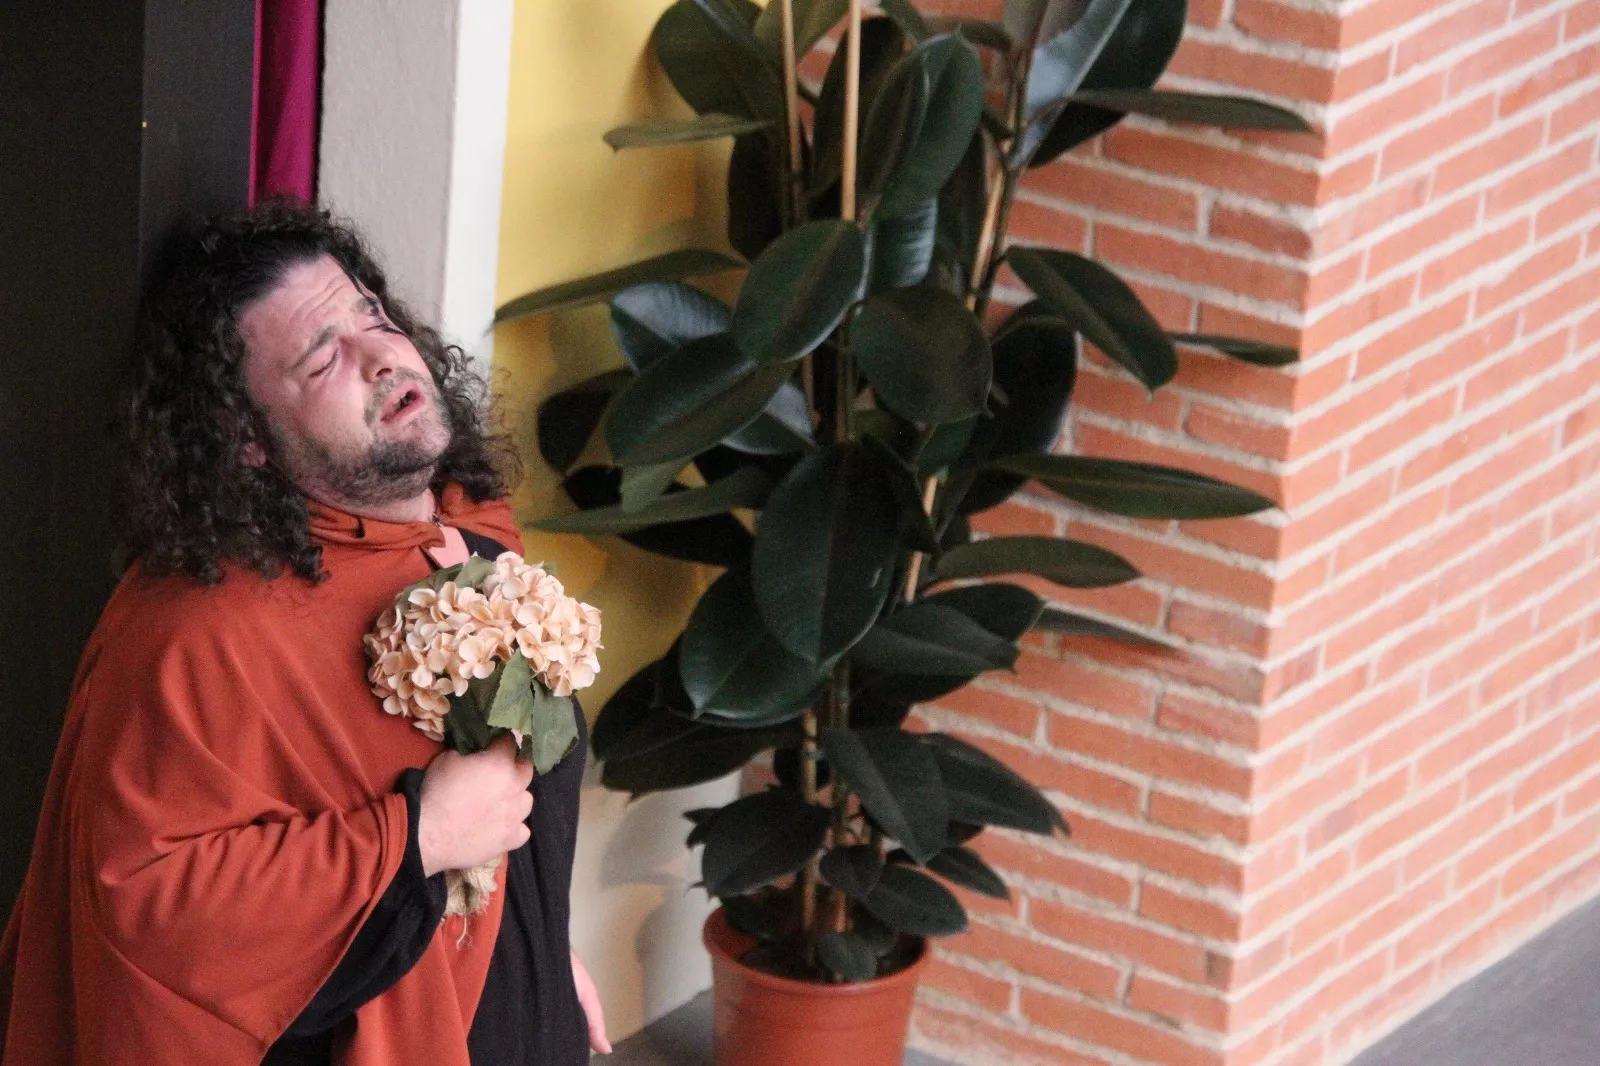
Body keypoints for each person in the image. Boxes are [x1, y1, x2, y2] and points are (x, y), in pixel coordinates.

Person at [0, 201, 610, 1066]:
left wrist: (542, 951)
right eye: (324, 358)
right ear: (246, 440)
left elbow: (512, 821)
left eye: (372, 316)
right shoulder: (194, 634)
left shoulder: (466, 533)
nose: (382, 355)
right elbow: (154, 904)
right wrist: (418, 840)